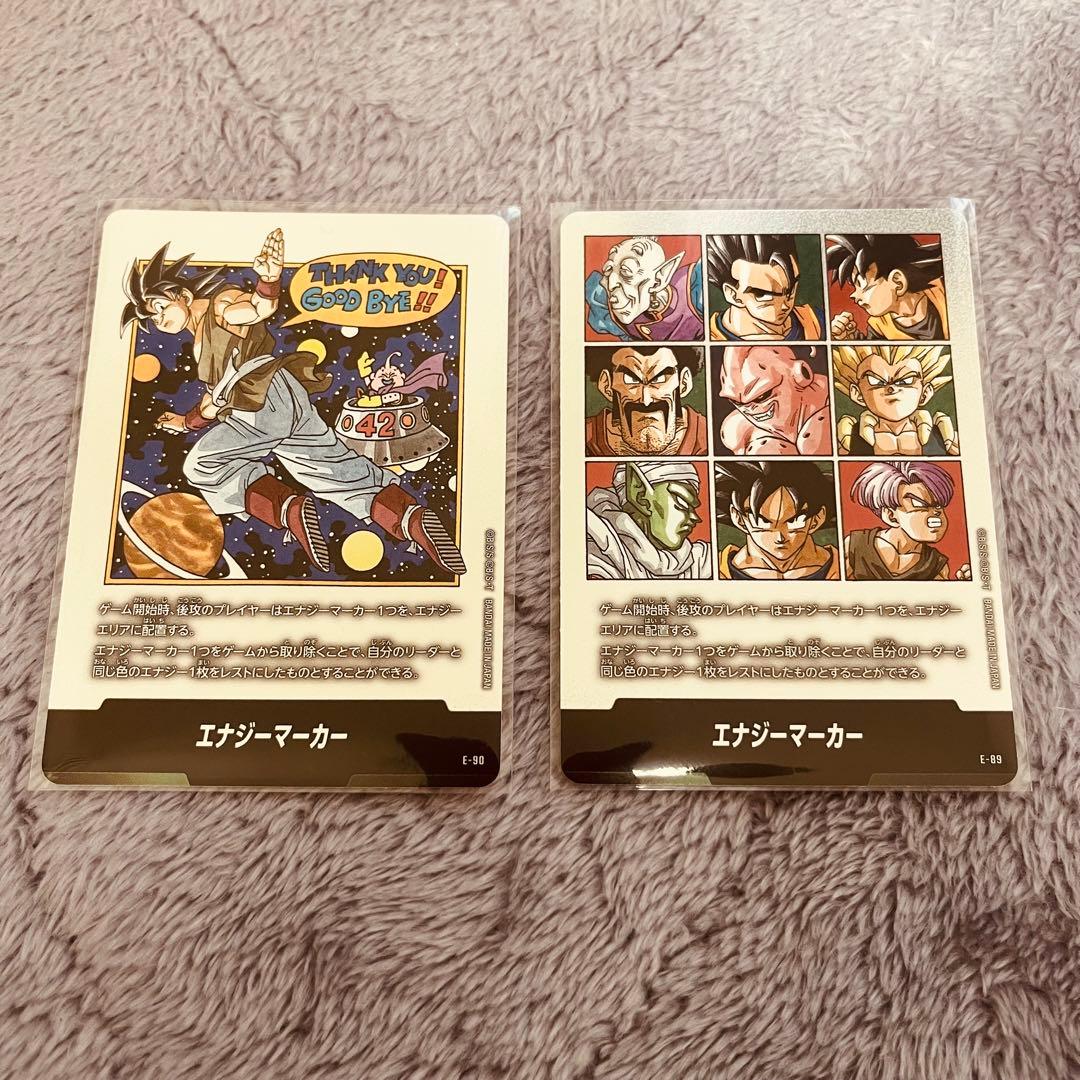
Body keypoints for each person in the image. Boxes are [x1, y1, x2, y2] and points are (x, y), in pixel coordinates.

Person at [122, 233, 464, 574]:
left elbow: (256, 309)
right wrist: (186, 422)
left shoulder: (220, 305)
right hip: (284, 396)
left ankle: (287, 508)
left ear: (181, 295)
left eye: (160, 307)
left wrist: (269, 280)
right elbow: (214, 401)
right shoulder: (200, 335)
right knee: (333, 470)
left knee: (203, 464)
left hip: (260, 402)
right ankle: (410, 518)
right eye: (152, 319)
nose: (158, 319)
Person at [845, 460, 969, 580]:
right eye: (919, 504)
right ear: (890, 516)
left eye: (938, 505)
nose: (936, 513)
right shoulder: (855, 546)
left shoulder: (936, 565)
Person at [714, 461, 839, 579]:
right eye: (763, 522)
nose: (780, 537)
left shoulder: (845, 566)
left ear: (817, 519)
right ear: (739, 518)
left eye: (794, 521)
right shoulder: (711, 568)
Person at [586, 461, 710, 579]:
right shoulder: (595, 557)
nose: (695, 518)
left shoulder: (700, 559)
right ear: (641, 497)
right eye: (682, 502)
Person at [833, 344, 958, 455]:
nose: (891, 388)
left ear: (925, 393)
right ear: (857, 394)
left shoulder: (941, 435)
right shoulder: (851, 438)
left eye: (906, 381)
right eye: (876, 381)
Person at [584, 346, 707, 456]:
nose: (646, 400)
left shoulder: (708, 436)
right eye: (631, 380)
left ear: (684, 383)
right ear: (606, 386)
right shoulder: (584, 437)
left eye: (659, 379)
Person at [826, 234, 949, 340]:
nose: (853, 295)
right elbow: (870, 354)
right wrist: (849, 337)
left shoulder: (944, 293)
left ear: (898, 282)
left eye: (862, 285)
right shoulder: (880, 328)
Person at [716, 345, 831, 455]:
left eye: (762, 396)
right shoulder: (737, 431)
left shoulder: (827, 395)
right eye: (737, 402)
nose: (750, 409)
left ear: (802, 373)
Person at [707, 234, 824, 341]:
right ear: (733, 295)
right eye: (764, 295)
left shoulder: (816, 322)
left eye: (790, 291)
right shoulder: (708, 338)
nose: (785, 306)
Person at [585, 236, 703, 341]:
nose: (610, 285)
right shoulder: (604, 306)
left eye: (626, 272)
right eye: (609, 270)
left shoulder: (694, 286)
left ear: (658, 279)